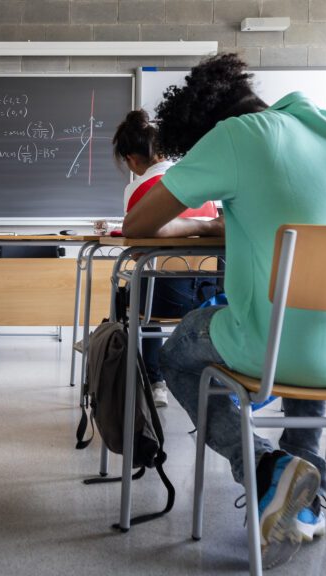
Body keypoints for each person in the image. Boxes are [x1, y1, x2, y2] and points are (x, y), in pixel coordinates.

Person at [122, 53, 326, 568]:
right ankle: (305, 496)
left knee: (178, 354)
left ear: (207, 129)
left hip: (287, 347)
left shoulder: (240, 135)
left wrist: (200, 226)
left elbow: (139, 222)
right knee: (315, 321)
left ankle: (268, 467)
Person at [112, 109, 219, 407]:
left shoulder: (138, 189)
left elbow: (137, 249)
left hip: (164, 299)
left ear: (132, 160)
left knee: (135, 286)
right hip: (207, 296)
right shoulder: (204, 187)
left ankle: (155, 379)